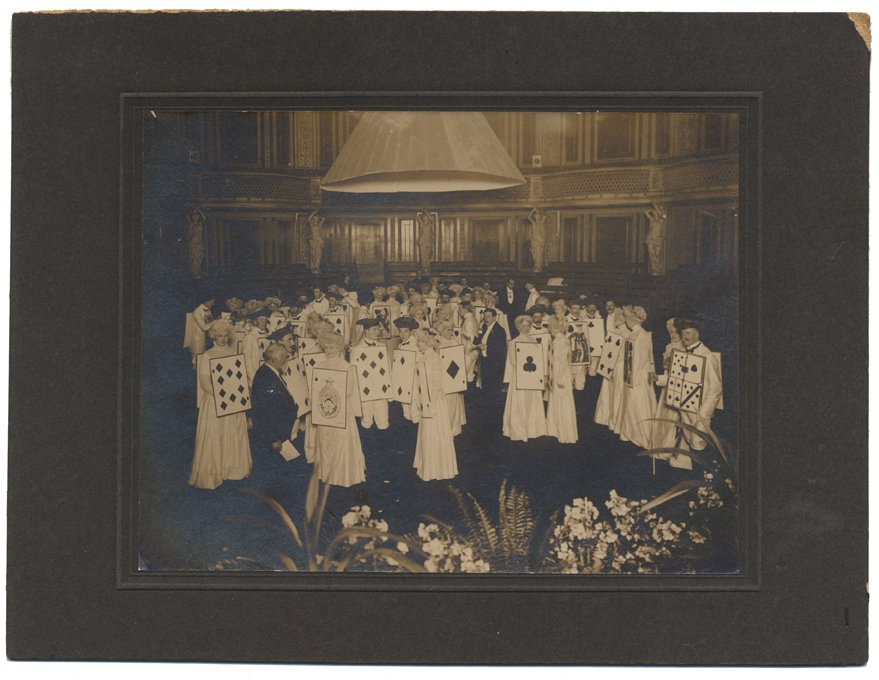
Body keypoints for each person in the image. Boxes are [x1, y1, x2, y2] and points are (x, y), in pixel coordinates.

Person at [189, 321, 253, 489]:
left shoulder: (233, 352)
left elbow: (240, 377)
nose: (223, 339)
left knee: (233, 434)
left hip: (233, 403)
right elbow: (204, 382)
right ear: (213, 337)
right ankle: (214, 472)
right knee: (216, 436)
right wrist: (221, 396)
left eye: (225, 336)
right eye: (219, 336)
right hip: (214, 402)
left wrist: (240, 392)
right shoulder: (207, 356)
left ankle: (232, 470)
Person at [313, 331, 366, 488]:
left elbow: (349, 390)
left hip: (342, 411)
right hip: (325, 412)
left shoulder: (346, 367)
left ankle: (342, 475)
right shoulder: (320, 366)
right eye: (326, 347)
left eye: (331, 347)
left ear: (338, 348)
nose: (328, 350)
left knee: (341, 443)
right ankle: (327, 472)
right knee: (326, 442)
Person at [412, 329, 459, 481]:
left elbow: (437, 384)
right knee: (426, 432)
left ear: (424, 342)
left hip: (434, 401)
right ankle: (426, 464)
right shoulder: (423, 357)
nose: (417, 344)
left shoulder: (435, 359)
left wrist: (429, 402)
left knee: (434, 432)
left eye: (418, 341)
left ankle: (436, 468)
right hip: (426, 399)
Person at [671, 317, 723, 453]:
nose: (684, 336)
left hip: (700, 413)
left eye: (688, 333)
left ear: (697, 333)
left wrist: (703, 414)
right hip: (684, 409)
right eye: (682, 333)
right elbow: (677, 379)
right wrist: (659, 379)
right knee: (689, 444)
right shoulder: (682, 353)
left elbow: (716, 389)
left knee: (699, 446)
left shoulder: (708, 356)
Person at [249, 343, 300, 475]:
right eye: (283, 357)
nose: (286, 359)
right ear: (273, 360)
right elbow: (263, 412)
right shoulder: (265, 378)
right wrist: (273, 439)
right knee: (276, 470)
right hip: (275, 437)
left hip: (281, 432)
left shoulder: (271, 372)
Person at [651, 318, 691, 469]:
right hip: (665, 388)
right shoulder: (669, 346)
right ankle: (662, 451)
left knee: (675, 421)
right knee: (663, 419)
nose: (673, 334)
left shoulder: (685, 349)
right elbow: (666, 370)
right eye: (670, 331)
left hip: (677, 389)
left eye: (675, 331)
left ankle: (674, 455)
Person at [616, 306, 657, 450]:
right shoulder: (633, 334)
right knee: (629, 402)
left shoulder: (642, 335)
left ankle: (641, 435)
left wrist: (636, 375)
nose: (625, 321)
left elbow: (643, 359)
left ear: (632, 319)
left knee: (638, 402)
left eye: (627, 318)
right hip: (630, 374)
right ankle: (628, 432)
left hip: (638, 376)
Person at [502, 315, 548, 442]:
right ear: (518, 327)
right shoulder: (514, 342)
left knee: (532, 401)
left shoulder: (534, 342)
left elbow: (538, 359)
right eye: (523, 326)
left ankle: (533, 429)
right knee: (521, 401)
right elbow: (513, 361)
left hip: (532, 377)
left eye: (528, 326)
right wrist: (524, 372)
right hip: (520, 377)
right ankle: (519, 430)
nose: (526, 328)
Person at [351, 318, 390, 430]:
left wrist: (389, 391)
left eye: (378, 329)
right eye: (374, 330)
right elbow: (355, 374)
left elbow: (387, 368)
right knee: (366, 420)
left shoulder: (382, 347)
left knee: (383, 419)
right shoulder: (357, 350)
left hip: (380, 389)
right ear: (366, 331)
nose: (377, 332)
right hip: (365, 390)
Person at [594, 307, 629, 431]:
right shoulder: (613, 331)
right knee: (607, 391)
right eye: (615, 318)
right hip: (609, 366)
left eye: (619, 318)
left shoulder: (628, 334)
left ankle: (615, 420)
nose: (616, 320)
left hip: (619, 366)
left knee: (617, 392)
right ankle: (605, 417)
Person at [546, 318, 578, 444]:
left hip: (561, 376)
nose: (550, 330)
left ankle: (564, 432)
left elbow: (563, 362)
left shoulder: (562, 341)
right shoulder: (559, 340)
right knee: (557, 401)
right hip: (558, 374)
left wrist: (557, 378)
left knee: (562, 402)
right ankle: (556, 430)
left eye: (551, 327)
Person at [434, 320, 467, 436]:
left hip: (455, 379)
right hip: (444, 380)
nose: (451, 332)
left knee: (454, 404)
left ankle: (454, 429)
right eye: (448, 330)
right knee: (447, 405)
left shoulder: (454, 342)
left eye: (451, 330)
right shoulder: (438, 344)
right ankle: (446, 430)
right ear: (442, 332)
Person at [393, 316, 422, 423]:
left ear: (411, 332)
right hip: (403, 379)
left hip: (414, 379)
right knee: (404, 403)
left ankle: (416, 425)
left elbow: (420, 362)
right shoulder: (400, 345)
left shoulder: (416, 345)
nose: (402, 334)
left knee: (414, 404)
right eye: (400, 332)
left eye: (405, 331)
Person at [476, 308, 507, 396]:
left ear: (494, 318)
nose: (486, 319)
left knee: (493, 391)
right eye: (485, 316)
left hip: (494, 366)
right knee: (486, 390)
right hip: (486, 363)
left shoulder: (499, 330)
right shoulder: (485, 327)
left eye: (488, 317)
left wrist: (484, 348)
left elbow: (500, 350)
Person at [183, 297, 214, 366]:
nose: (213, 304)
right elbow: (204, 327)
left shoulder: (208, 310)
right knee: (197, 361)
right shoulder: (197, 311)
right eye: (212, 302)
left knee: (204, 361)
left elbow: (209, 323)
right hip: (198, 340)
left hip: (206, 339)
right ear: (206, 301)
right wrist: (215, 322)